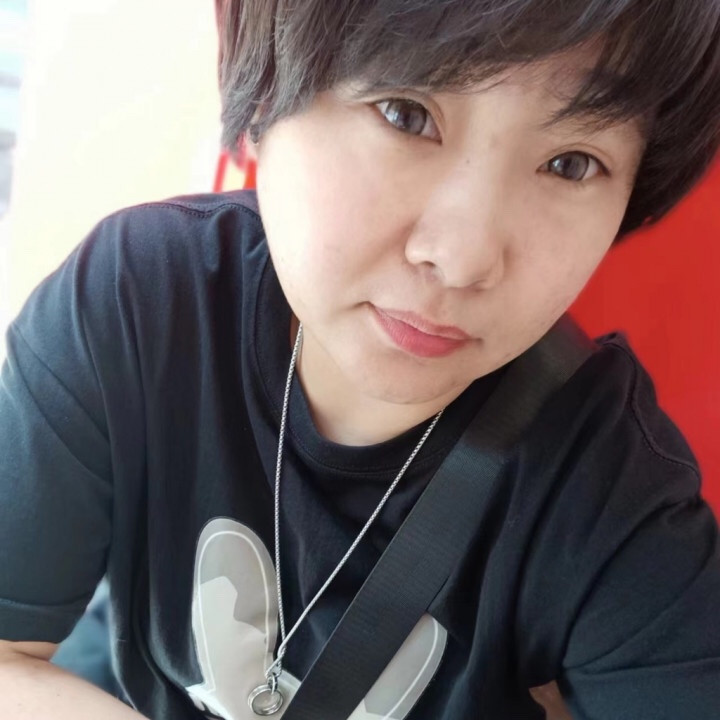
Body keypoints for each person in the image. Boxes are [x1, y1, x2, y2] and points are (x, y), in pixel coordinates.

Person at [1, 1, 720, 719]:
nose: (462, 258)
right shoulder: (142, 300)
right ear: (264, 88)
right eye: (406, 114)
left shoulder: (610, 491)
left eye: (571, 164)